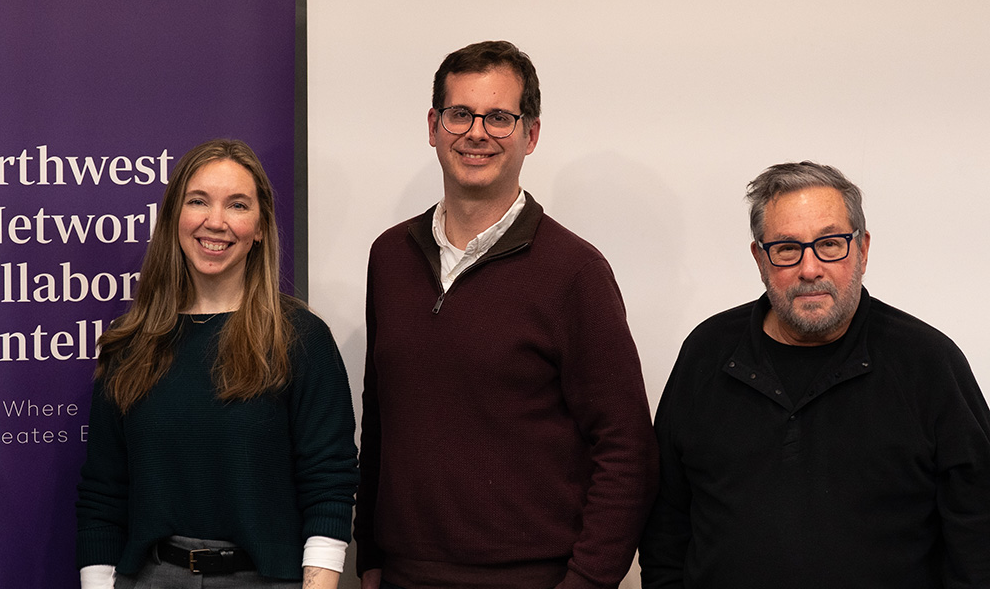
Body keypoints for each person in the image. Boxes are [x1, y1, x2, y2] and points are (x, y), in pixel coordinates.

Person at [354, 40, 658, 589]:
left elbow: (627, 448)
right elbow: (380, 417)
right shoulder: (389, 257)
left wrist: (587, 582)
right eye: (459, 114)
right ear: (433, 125)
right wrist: (370, 556)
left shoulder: (575, 272)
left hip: (533, 577)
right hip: (404, 574)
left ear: (530, 134)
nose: (476, 133)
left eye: (499, 117)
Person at [640, 161, 990, 588]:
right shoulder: (707, 354)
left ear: (862, 249)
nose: (810, 269)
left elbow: (977, 534)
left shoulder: (929, 364)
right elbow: (666, 524)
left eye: (830, 244)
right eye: (787, 248)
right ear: (760, 258)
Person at [75, 139, 358, 589]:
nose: (216, 221)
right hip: (150, 578)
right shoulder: (127, 346)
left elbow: (330, 481)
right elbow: (103, 495)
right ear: (174, 218)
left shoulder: (301, 339)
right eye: (198, 201)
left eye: (238, 205)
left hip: (266, 580)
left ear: (260, 226)